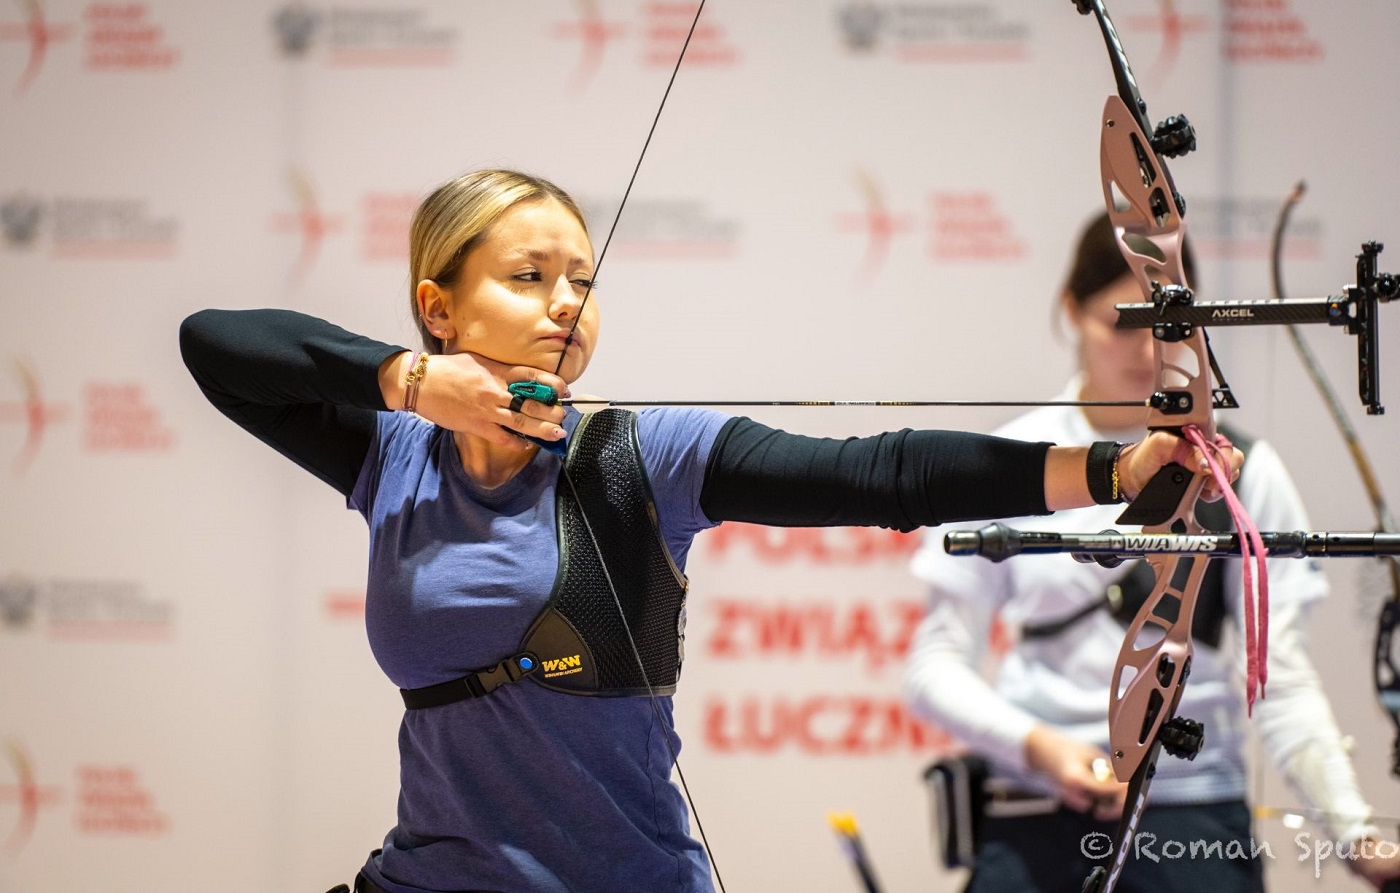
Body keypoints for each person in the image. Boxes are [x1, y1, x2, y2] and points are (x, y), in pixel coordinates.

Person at [179, 172, 1237, 893]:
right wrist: (407, 382)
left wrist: (1113, 466)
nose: (565, 305)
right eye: (529, 276)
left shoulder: (644, 455)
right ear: (437, 306)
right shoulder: (391, 454)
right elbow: (213, 346)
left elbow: (877, 473)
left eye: (581, 280)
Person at [905, 212, 1400, 892]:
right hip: (1037, 813)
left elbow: (1280, 677)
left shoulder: (1238, 467)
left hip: (1192, 814)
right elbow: (935, 666)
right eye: (1122, 321)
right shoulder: (1011, 462)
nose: (1146, 350)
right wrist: (1038, 747)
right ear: (1071, 311)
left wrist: (1356, 834)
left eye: (1167, 324)